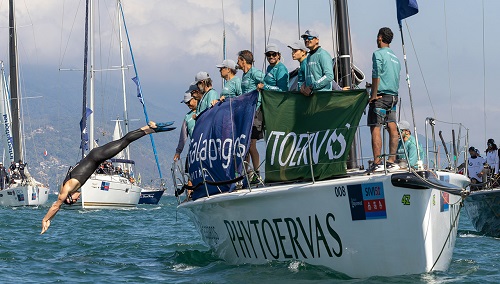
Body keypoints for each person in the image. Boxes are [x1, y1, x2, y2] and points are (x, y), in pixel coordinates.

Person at [41, 121, 175, 234]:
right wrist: (50, 220)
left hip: (97, 156)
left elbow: (56, 206)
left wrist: (45, 220)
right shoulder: (69, 187)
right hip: (97, 156)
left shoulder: (67, 188)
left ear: (69, 198)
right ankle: (150, 129)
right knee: (124, 142)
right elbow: (56, 208)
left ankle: (148, 128)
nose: (78, 199)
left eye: (74, 200)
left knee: (124, 142)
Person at [367, 27, 401, 173]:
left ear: (380, 37)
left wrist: (373, 95)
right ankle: (392, 160)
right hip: (393, 97)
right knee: (392, 127)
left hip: (381, 96)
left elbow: (376, 75)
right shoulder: (395, 57)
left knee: (376, 127)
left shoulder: (378, 54)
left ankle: (377, 162)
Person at [237, 50, 265, 182]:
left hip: (255, 111)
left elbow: (266, 81)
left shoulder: (254, 73)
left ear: (243, 60)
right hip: (246, 112)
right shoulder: (244, 75)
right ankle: (248, 173)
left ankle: (257, 173)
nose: (237, 63)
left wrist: (261, 86)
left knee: (252, 144)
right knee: (246, 145)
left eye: (238, 60)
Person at [300, 30, 336, 97]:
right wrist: (304, 85)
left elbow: (329, 76)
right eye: (305, 38)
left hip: (322, 96)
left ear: (317, 40)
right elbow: (311, 76)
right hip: (312, 97)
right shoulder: (309, 57)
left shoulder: (323, 54)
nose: (307, 40)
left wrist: (312, 87)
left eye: (310, 37)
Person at [174, 91, 198, 162]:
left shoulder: (206, 111)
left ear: (195, 98)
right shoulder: (187, 117)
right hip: (194, 149)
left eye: (188, 102)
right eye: (186, 103)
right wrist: (178, 151)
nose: (188, 105)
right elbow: (183, 136)